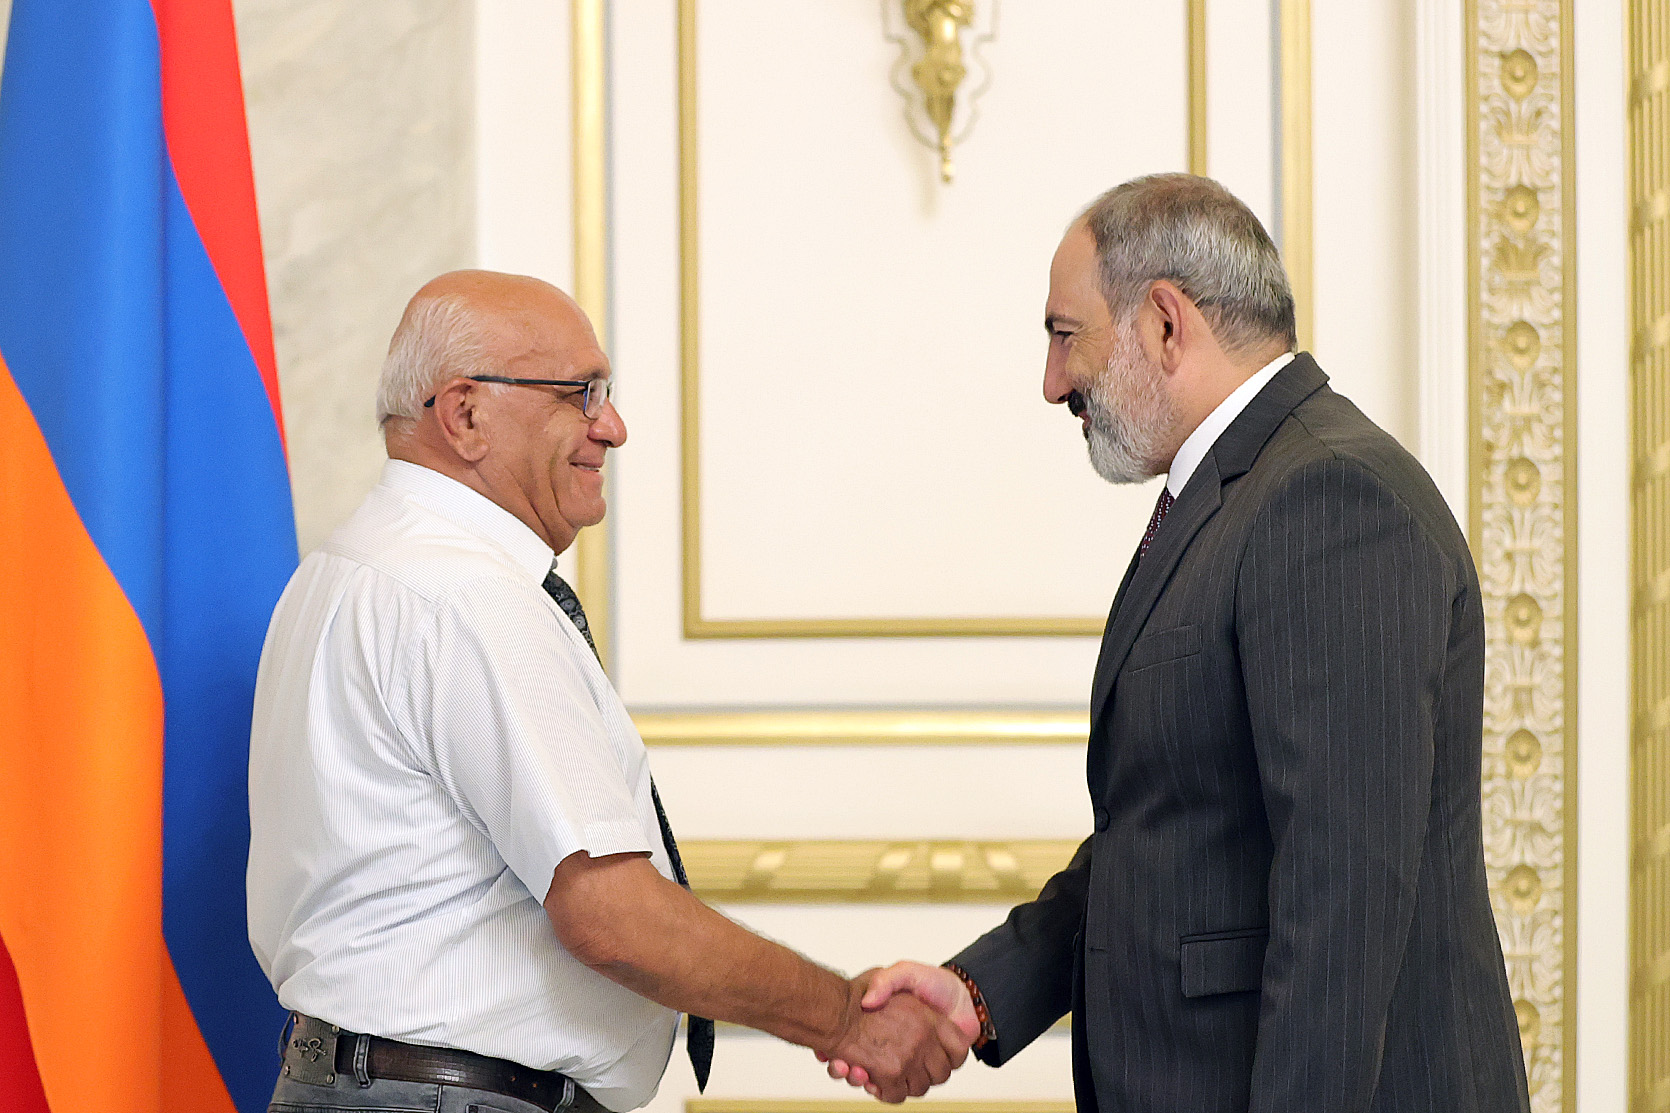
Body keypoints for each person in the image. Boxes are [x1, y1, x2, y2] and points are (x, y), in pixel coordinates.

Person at [836, 175, 1531, 1112]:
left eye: (1065, 334)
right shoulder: (1241, 493)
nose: (1052, 382)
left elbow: (1343, 906)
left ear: (1165, 322)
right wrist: (982, 992)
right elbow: (1173, 826)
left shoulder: (1329, 496)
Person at [247, 270, 970, 1113]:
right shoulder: (467, 595)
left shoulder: (345, 568)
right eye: (579, 393)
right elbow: (612, 915)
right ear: (466, 414)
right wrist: (842, 1016)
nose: (613, 427)